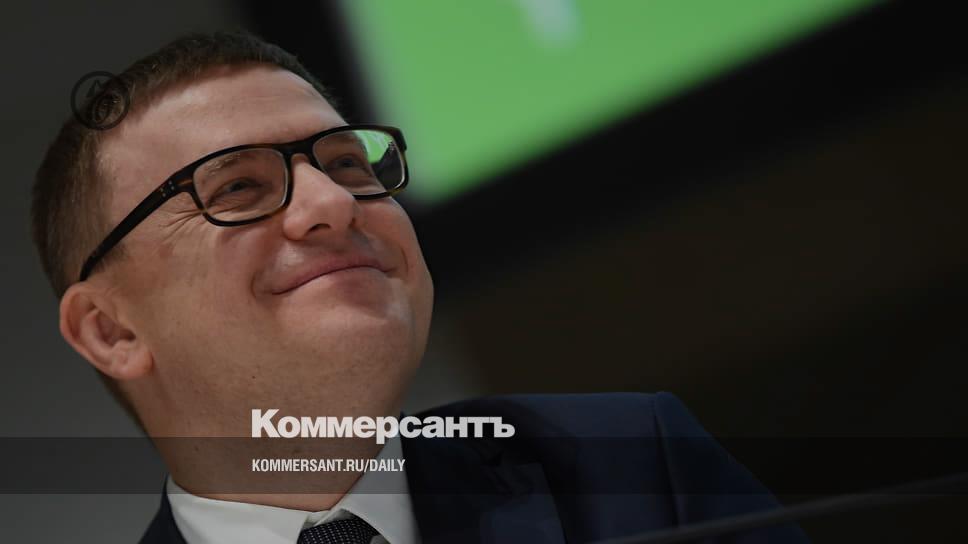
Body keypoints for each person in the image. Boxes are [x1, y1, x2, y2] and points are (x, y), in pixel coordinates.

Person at [31, 31, 808, 544]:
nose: (335, 202)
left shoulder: (633, 471)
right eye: (236, 187)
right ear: (111, 331)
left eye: (347, 164)